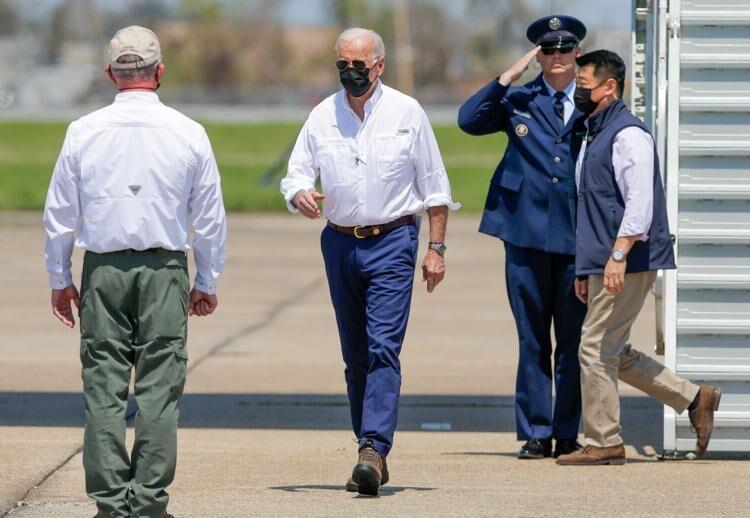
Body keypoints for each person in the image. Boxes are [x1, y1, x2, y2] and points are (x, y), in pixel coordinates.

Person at [43, 26, 227, 516]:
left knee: (103, 391)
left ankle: (109, 504)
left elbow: (60, 214)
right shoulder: (189, 132)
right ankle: (148, 502)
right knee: (158, 393)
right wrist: (206, 281)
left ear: (111, 74)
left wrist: (60, 279)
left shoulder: (83, 131)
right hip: (164, 269)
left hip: (102, 270)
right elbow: (208, 218)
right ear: (159, 72)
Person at [280, 27, 459, 495]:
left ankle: (374, 449)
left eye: (359, 65)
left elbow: (436, 188)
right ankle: (368, 445)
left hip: (394, 241)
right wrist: (298, 192)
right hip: (339, 243)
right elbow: (296, 172)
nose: (350, 74)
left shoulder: (407, 112)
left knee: (383, 347)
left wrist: (435, 250)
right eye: (343, 65)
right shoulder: (322, 115)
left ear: (379, 65)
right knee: (355, 355)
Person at [556, 50, 720, 465]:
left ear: (610, 87)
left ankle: (605, 441)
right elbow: (593, 205)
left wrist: (616, 255)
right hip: (603, 261)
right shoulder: (595, 130)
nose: (578, 91)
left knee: (593, 348)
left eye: (585, 85)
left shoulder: (629, 135)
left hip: (627, 260)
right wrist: (586, 267)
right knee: (612, 349)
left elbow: (639, 205)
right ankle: (695, 398)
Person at [457, 15, 588, 459]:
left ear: (578, 53)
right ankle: (537, 429)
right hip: (525, 233)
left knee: (572, 341)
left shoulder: (592, 102)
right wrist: (507, 77)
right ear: (537, 57)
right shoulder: (519, 100)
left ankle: (567, 431)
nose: (556, 57)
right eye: (547, 50)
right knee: (532, 338)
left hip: (575, 238)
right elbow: (468, 119)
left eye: (564, 48)